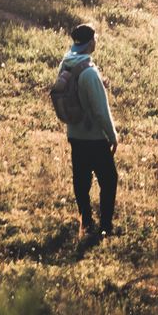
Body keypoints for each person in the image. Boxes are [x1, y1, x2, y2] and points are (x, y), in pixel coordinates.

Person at [60, 22, 119, 241]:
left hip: (74, 134)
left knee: (81, 180)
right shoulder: (89, 73)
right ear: (90, 42)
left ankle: (85, 220)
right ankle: (105, 226)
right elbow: (101, 111)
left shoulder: (65, 65)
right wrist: (112, 136)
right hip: (94, 137)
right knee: (109, 180)